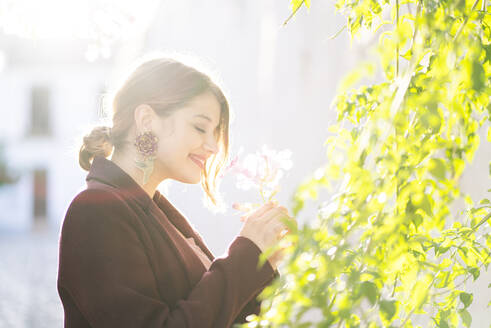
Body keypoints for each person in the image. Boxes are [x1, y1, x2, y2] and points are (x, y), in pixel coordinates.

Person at [57, 54, 296, 328]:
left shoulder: (156, 212)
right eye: (200, 127)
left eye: (215, 132)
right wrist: (246, 255)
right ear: (146, 119)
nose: (213, 146)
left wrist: (263, 263)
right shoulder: (96, 211)